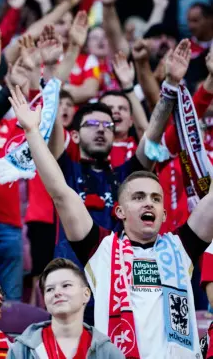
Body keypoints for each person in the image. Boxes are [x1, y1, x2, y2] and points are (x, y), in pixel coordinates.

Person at [12, 68, 213, 358]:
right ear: (119, 211)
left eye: (156, 199)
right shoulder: (101, 249)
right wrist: (32, 132)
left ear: (163, 213)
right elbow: (60, 192)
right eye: (139, 197)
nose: (148, 203)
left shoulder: (180, 247)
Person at [7, 258, 123, 359]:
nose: (57, 292)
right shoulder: (21, 350)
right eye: (50, 289)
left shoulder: (107, 352)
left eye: (66, 285)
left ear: (86, 294)